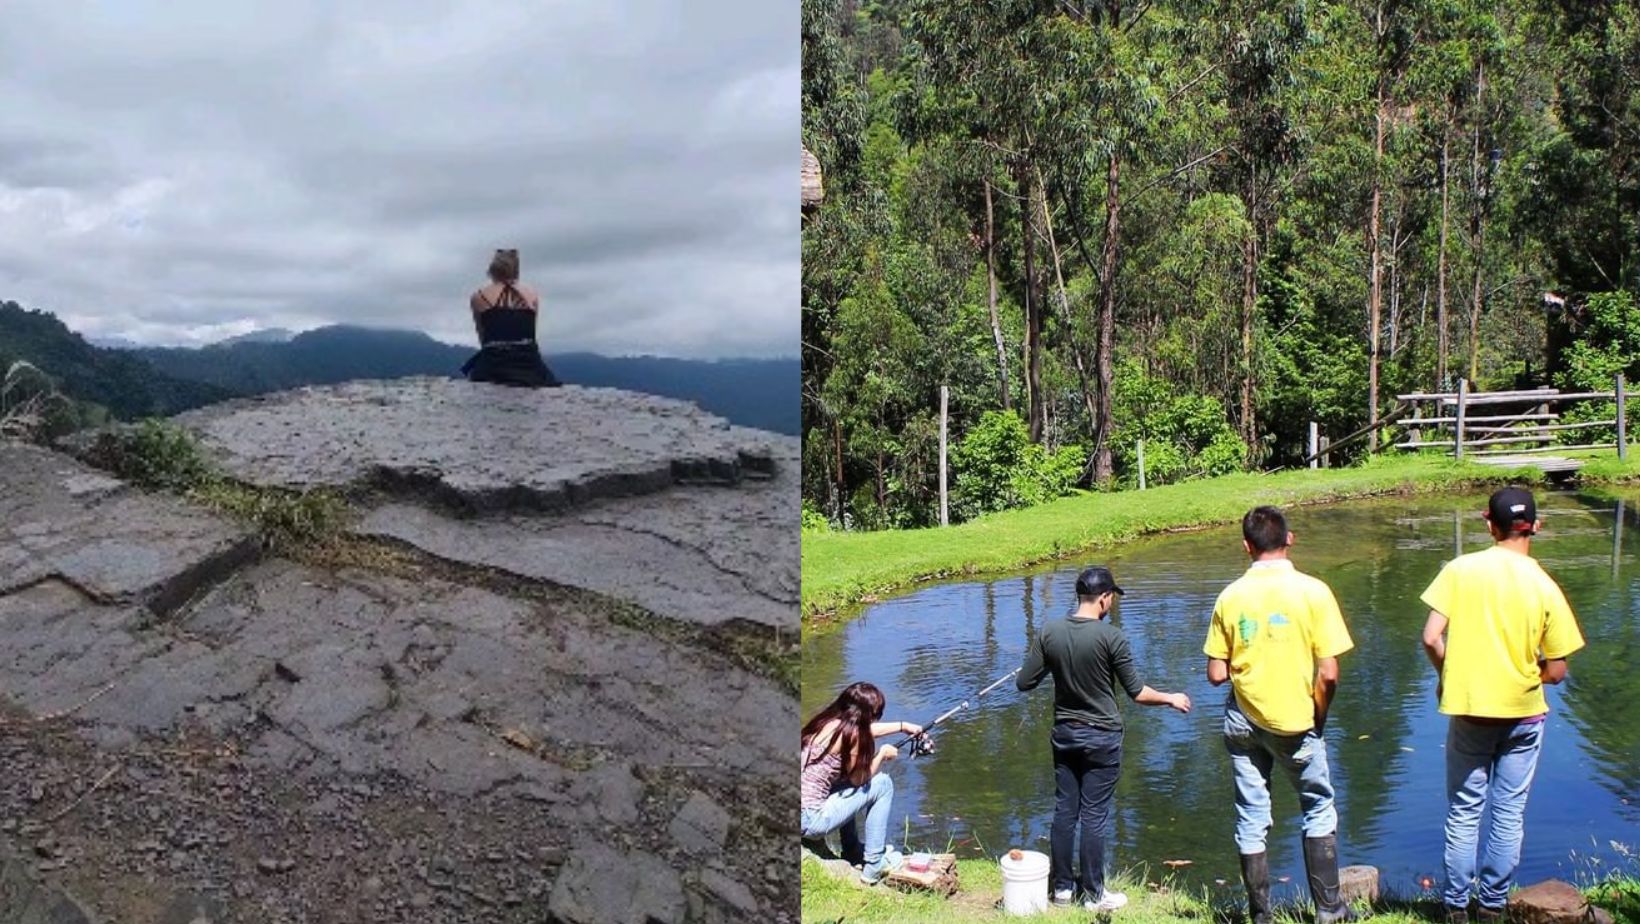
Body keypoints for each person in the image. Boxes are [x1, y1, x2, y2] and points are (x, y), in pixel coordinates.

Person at [1420, 487, 1585, 924]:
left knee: (1463, 811)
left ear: (1486, 523)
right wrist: (1534, 673)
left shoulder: (1460, 570)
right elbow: (1558, 670)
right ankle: (1492, 905)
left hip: (1471, 708)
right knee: (1509, 812)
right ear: (1537, 526)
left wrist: (1447, 675)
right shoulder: (1545, 584)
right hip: (1524, 713)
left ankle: (1456, 907)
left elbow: (1431, 637)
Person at [1204, 506, 1356, 924]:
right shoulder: (1314, 591)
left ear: (1246, 547)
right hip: (1297, 722)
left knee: (1252, 816)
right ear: (1290, 539)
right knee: (1318, 807)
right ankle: (1330, 910)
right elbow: (1329, 673)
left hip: (1243, 722)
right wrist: (1318, 717)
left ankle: (1261, 915)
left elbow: (1216, 673)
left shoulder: (1230, 595)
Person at [1017, 566, 1192, 913]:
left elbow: (1024, 683)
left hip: (1064, 735)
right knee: (1094, 815)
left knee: (1065, 810)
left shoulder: (1049, 632)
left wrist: (1051, 662)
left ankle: (1064, 890)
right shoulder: (1113, 638)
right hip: (1102, 737)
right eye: (1112, 597)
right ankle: (1094, 895)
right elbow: (1138, 692)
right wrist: (1170, 697)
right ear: (1104, 598)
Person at [799, 681, 923, 884]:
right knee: (882, 784)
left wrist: (903, 726)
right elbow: (859, 780)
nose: (876, 718)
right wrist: (882, 754)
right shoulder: (853, 736)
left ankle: (853, 850)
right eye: (875, 714)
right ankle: (874, 865)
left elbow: (867, 730)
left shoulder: (826, 722)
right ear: (865, 716)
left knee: (844, 784)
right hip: (811, 820)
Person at [461, 248, 560, 387]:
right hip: (530, 365)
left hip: (494, 364)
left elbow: (483, 338)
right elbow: (532, 336)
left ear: (492, 269)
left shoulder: (478, 296)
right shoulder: (532, 295)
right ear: (516, 269)